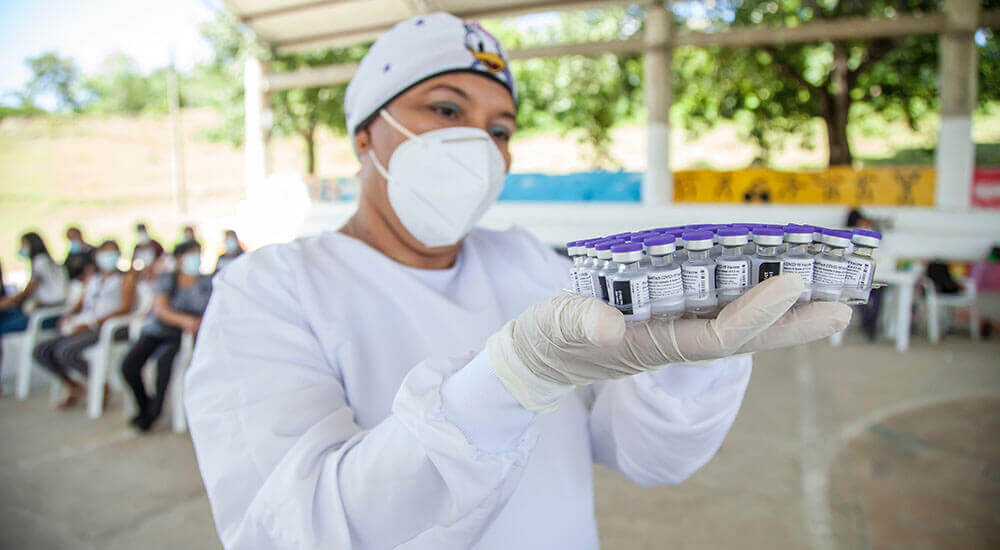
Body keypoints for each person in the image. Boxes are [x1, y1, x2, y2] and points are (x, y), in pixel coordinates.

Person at [184, 13, 851, 549]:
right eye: (446, 110)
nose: (478, 144)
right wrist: (506, 381)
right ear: (365, 134)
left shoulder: (529, 263)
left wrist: (687, 361)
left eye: (499, 129)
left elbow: (648, 457)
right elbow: (296, 530)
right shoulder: (273, 289)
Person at [33, 240, 136, 408]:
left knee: (65, 351)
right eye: (106, 252)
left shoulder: (125, 278)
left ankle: (100, 385)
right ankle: (73, 386)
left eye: (113, 252)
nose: (109, 257)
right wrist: (68, 317)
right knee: (41, 350)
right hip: (85, 323)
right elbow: (81, 304)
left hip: (106, 327)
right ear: (97, 256)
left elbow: (126, 308)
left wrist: (93, 324)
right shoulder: (93, 279)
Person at [121, 240, 211, 431]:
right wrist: (185, 320)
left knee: (164, 363)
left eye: (198, 254)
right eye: (191, 254)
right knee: (129, 365)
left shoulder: (207, 282)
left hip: (180, 336)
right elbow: (161, 310)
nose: (196, 259)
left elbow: (210, 312)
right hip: (159, 330)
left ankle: (155, 412)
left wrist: (190, 323)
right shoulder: (167, 279)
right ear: (179, 259)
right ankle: (145, 405)